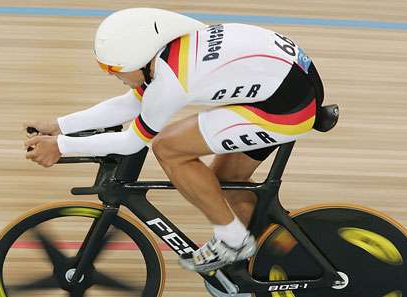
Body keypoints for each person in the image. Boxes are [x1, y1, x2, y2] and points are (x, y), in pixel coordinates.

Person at [24, 8, 325, 273]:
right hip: (285, 88)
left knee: (168, 148)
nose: (111, 75)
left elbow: (132, 142)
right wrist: (59, 125)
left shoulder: (171, 80)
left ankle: (234, 242)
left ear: (138, 58)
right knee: (221, 184)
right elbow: (130, 104)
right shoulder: (168, 54)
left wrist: (62, 146)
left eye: (114, 69)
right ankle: (274, 256)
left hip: (286, 107)